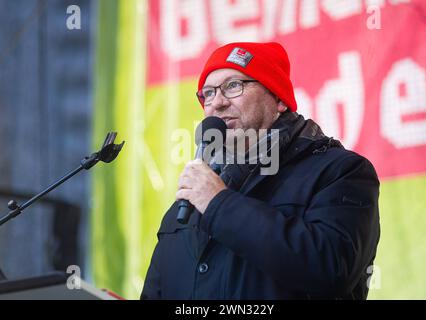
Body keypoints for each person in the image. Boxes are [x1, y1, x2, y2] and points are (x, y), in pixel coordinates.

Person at [141, 42, 380, 300]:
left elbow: (332, 268)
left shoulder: (339, 172)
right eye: (208, 93)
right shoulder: (192, 200)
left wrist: (219, 204)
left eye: (233, 86)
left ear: (278, 99)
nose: (217, 103)